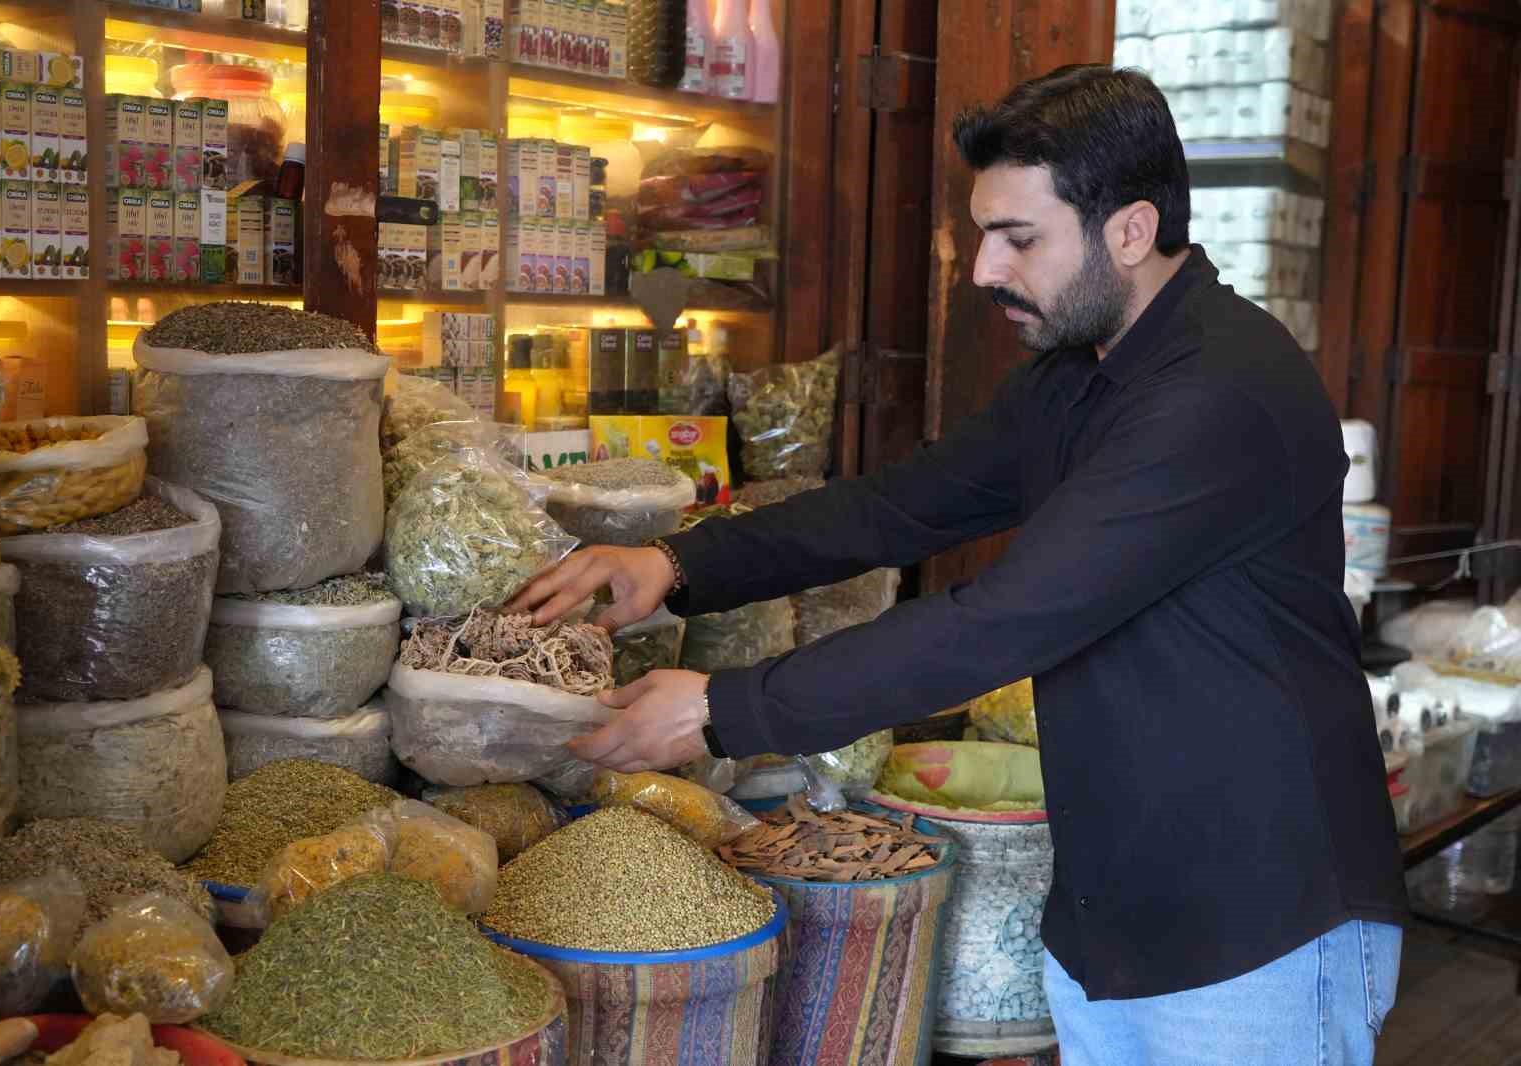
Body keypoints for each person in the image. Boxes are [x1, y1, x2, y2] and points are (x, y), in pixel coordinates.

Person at [511, 64, 1408, 1065]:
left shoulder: (1219, 396)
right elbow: (901, 505)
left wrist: (721, 706)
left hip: (1258, 928)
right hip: (1115, 912)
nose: (982, 268)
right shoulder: (1080, 376)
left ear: (1129, 230)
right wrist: (673, 563)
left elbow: (1003, 618)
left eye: (1017, 238)